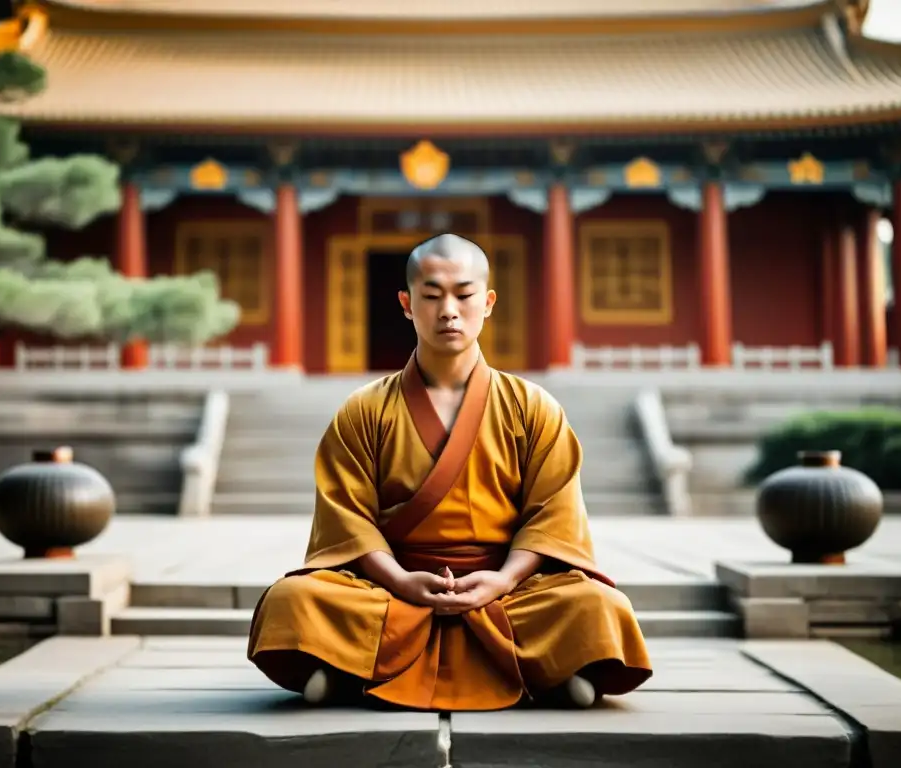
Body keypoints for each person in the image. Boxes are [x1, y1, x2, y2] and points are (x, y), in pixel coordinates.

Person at [247, 233, 652, 711]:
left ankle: (346, 673)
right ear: (406, 303)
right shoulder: (365, 410)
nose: (449, 310)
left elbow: (553, 518)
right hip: (393, 589)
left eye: (463, 294)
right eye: (432, 295)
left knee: (598, 607)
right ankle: (548, 672)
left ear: (489, 301)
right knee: (292, 600)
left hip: (508, 588)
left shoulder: (532, 408)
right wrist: (400, 580)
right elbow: (346, 522)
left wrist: (501, 581)